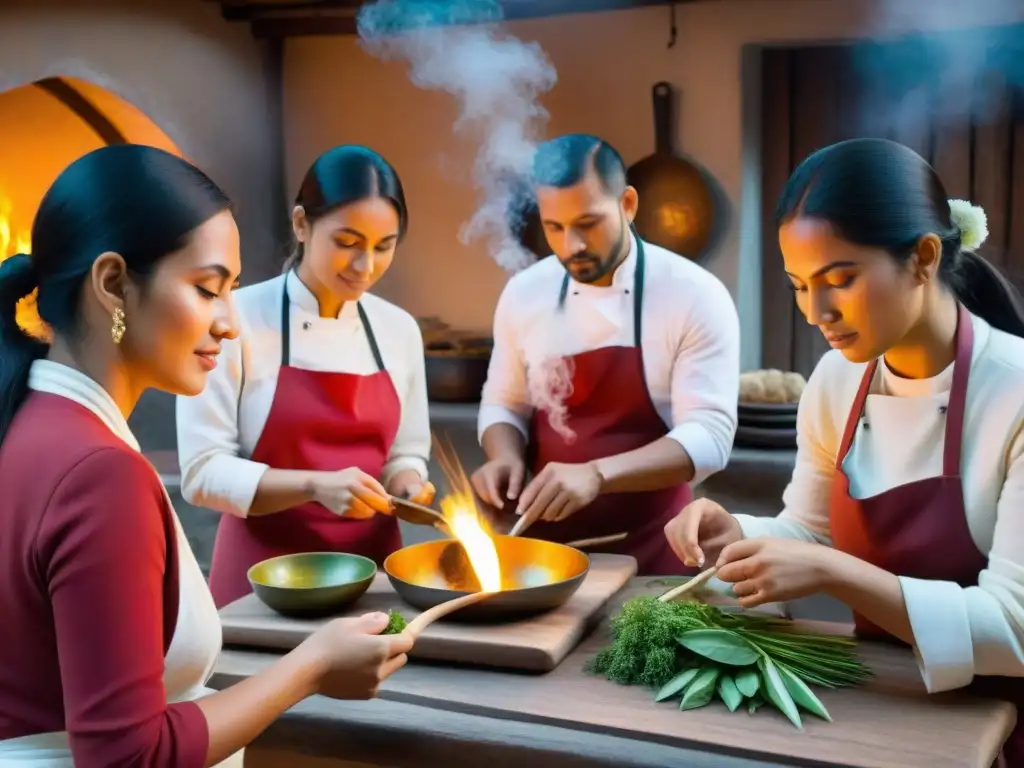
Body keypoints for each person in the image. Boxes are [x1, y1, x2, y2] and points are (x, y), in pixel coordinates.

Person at [0, 145, 412, 767]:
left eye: (232, 292)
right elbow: (126, 756)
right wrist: (311, 666)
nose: (230, 323)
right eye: (206, 289)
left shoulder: (31, 417)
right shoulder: (99, 474)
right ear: (113, 284)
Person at [665, 138, 1024, 762]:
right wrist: (738, 535)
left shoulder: (1014, 394)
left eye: (840, 279)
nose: (816, 312)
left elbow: (1013, 630)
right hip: (881, 709)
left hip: (998, 732)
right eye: (800, 285)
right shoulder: (837, 380)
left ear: (923, 258)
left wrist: (837, 575)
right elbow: (810, 531)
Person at [176, 145, 433, 608]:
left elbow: (406, 453)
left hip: (372, 584)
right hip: (261, 585)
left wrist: (409, 485)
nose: (365, 266)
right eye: (348, 243)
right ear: (301, 225)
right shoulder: (234, 320)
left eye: (383, 246)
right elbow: (202, 472)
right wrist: (315, 485)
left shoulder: (399, 330)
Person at [472, 133, 741, 575]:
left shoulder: (693, 294)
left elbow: (710, 438)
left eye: (588, 223)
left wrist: (596, 474)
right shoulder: (526, 292)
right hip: (541, 557)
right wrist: (503, 457)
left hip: (656, 553)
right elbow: (504, 402)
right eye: (554, 227)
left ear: (629, 204)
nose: (571, 244)